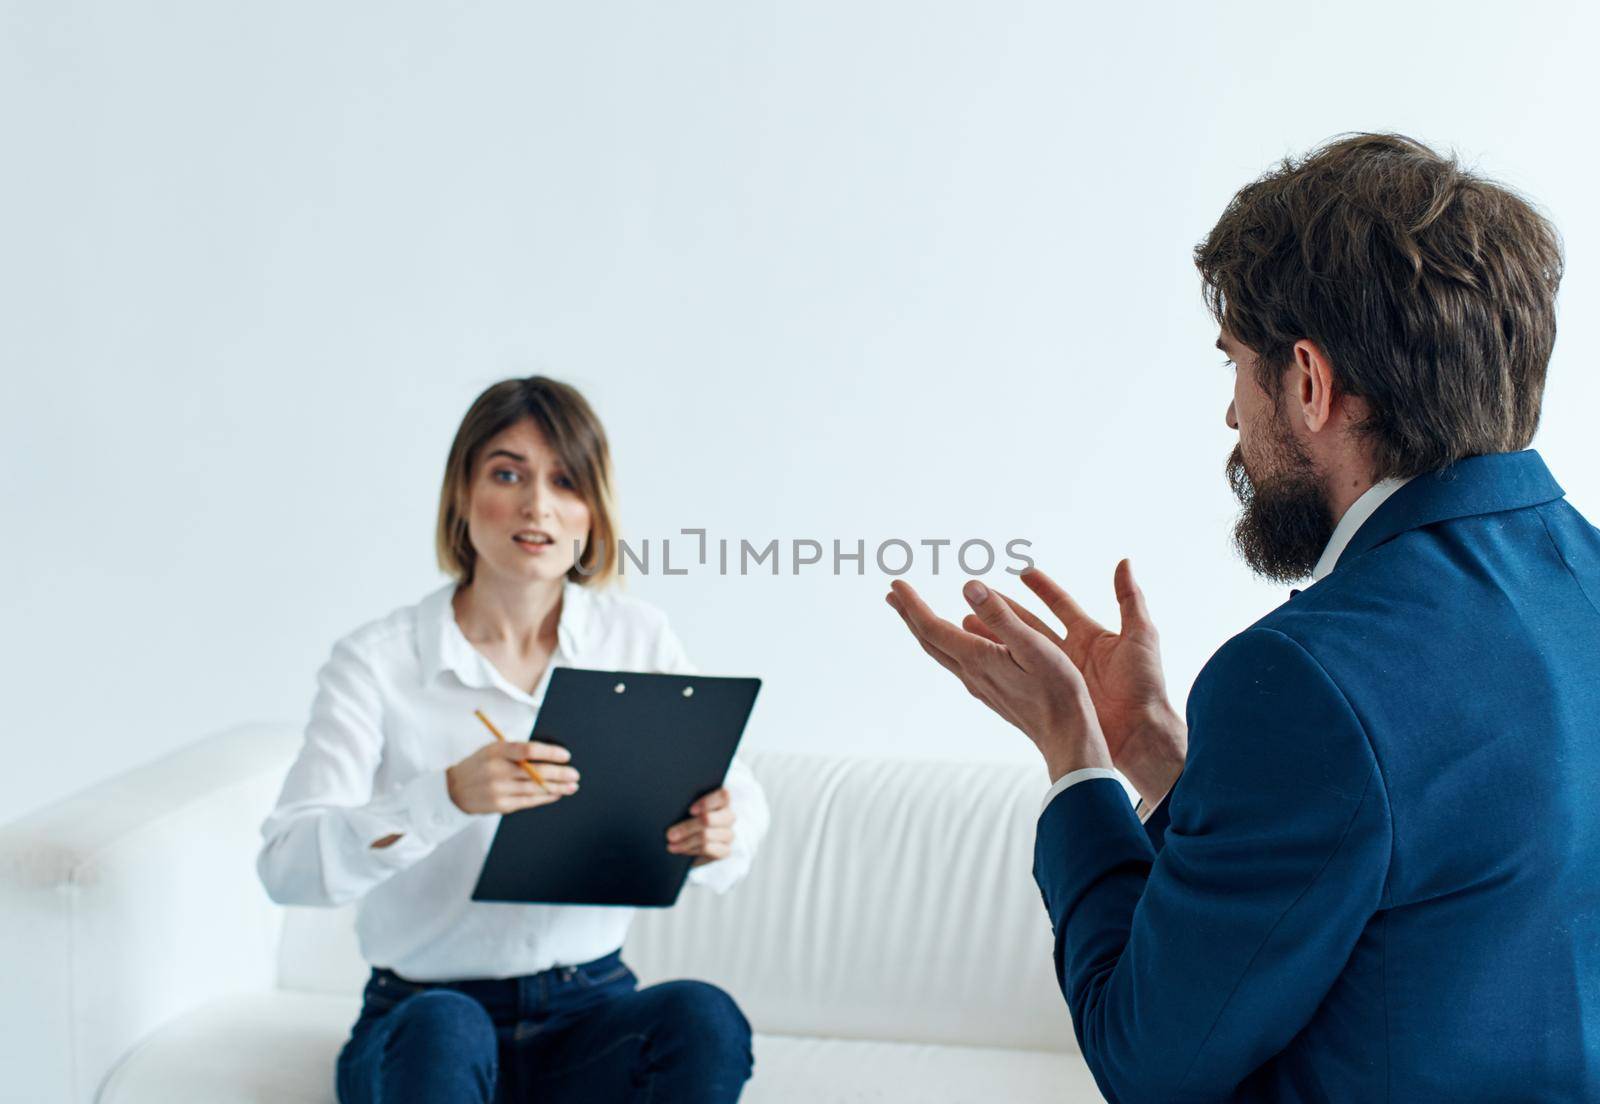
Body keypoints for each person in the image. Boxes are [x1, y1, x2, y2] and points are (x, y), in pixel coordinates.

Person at [886, 133, 1599, 1101]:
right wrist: (1162, 757)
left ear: (1307, 381)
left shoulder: (1306, 680)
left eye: (1235, 365)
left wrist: (1075, 755)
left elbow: (1146, 1058)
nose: (1230, 417)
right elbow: (1419, 878)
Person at [257, 376, 768, 1104]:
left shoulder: (636, 638)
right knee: (444, 1031)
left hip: (589, 1008)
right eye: (508, 474)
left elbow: (738, 799)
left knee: (702, 1019)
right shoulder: (376, 661)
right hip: (420, 1020)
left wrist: (720, 827)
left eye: (565, 481)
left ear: (592, 511)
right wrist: (443, 798)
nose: (537, 506)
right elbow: (285, 868)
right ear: (462, 497)